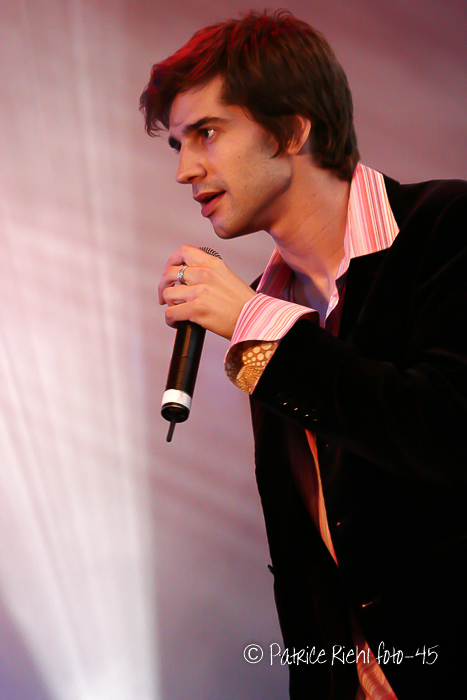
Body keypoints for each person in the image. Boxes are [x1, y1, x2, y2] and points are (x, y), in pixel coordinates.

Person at [140, 10, 467, 699]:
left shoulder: (448, 229)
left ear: (292, 129)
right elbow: (310, 566)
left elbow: (444, 434)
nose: (184, 170)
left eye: (206, 133)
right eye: (176, 144)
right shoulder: (270, 307)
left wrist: (255, 322)